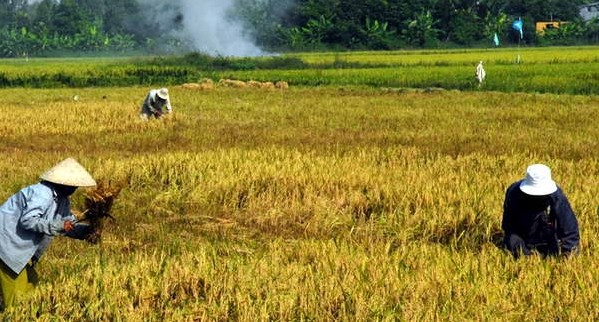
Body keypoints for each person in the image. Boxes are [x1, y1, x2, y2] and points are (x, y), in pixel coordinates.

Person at [0, 158, 96, 309]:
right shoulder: (42, 193)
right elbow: (28, 220)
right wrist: (58, 225)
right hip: (6, 246)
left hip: (18, 250)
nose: (75, 188)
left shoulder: (62, 200)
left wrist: (88, 232)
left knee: (31, 284)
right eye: (73, 185)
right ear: (62, 182)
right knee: (17, 298)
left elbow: (67, 225)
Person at [502, 164, 580, 258]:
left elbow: (569, 227)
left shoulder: (556, 196)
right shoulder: (514, 193)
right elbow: (509, 226)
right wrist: (523, 252)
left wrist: (568, 254)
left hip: (546, 236)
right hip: (520, 234)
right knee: (512, 242)